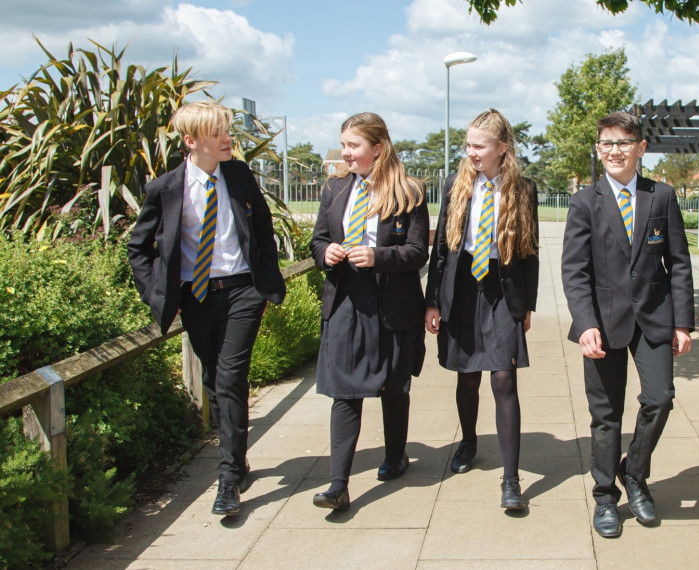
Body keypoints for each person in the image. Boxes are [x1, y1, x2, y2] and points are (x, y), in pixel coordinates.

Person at [127, 101, 287, 517]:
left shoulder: (238, 175)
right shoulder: (164, 189)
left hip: (242, 292)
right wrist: (158, 296)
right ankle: (238, 458)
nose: (227, 138)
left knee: (231, 376)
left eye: (226, 130)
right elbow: (138, 249)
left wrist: (264, 280)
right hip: (197, 297)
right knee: (217, 382)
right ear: (192, 141)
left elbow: (263, 228)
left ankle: (228, 480)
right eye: (218, 133)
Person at [562, 111, 695, 537]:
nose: (614, 150)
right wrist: (584, 324)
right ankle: (605, 496)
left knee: (660, 398)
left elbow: (679, 263)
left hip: (654, 320)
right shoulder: (585, 201)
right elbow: (575, 272)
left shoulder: (662, 196)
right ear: (598, 150)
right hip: (602, 323)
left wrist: (683, 323)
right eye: (606, 143)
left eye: (623, 143)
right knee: (606, 415)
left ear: (640, 148)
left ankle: (633, 474)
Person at [309, 112, 429, 512]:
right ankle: (337, 485)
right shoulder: (335, 189)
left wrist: (377, 256)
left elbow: (417, 252)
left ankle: (396, 456)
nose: (345, 154)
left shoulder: (409, 191)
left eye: (352, 146)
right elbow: (318, 240)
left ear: (377, 148)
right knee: (345, 392)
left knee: (393, 386)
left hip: (393, 304)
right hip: (346, 303)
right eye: (343, 145)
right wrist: (325, 253)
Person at [425, 109, 539, 512]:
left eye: (478, 145)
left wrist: (528, 305)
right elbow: (440, 251)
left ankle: (511, 479)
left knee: (504, 379)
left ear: (501, 148)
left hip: (503, 293)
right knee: (468, 377)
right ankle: (469, 441)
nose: (470, 152)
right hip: (463, 291)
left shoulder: (523, 189)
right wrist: (433, 301)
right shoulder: (456, 185)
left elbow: (529, 252)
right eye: (468, 144)